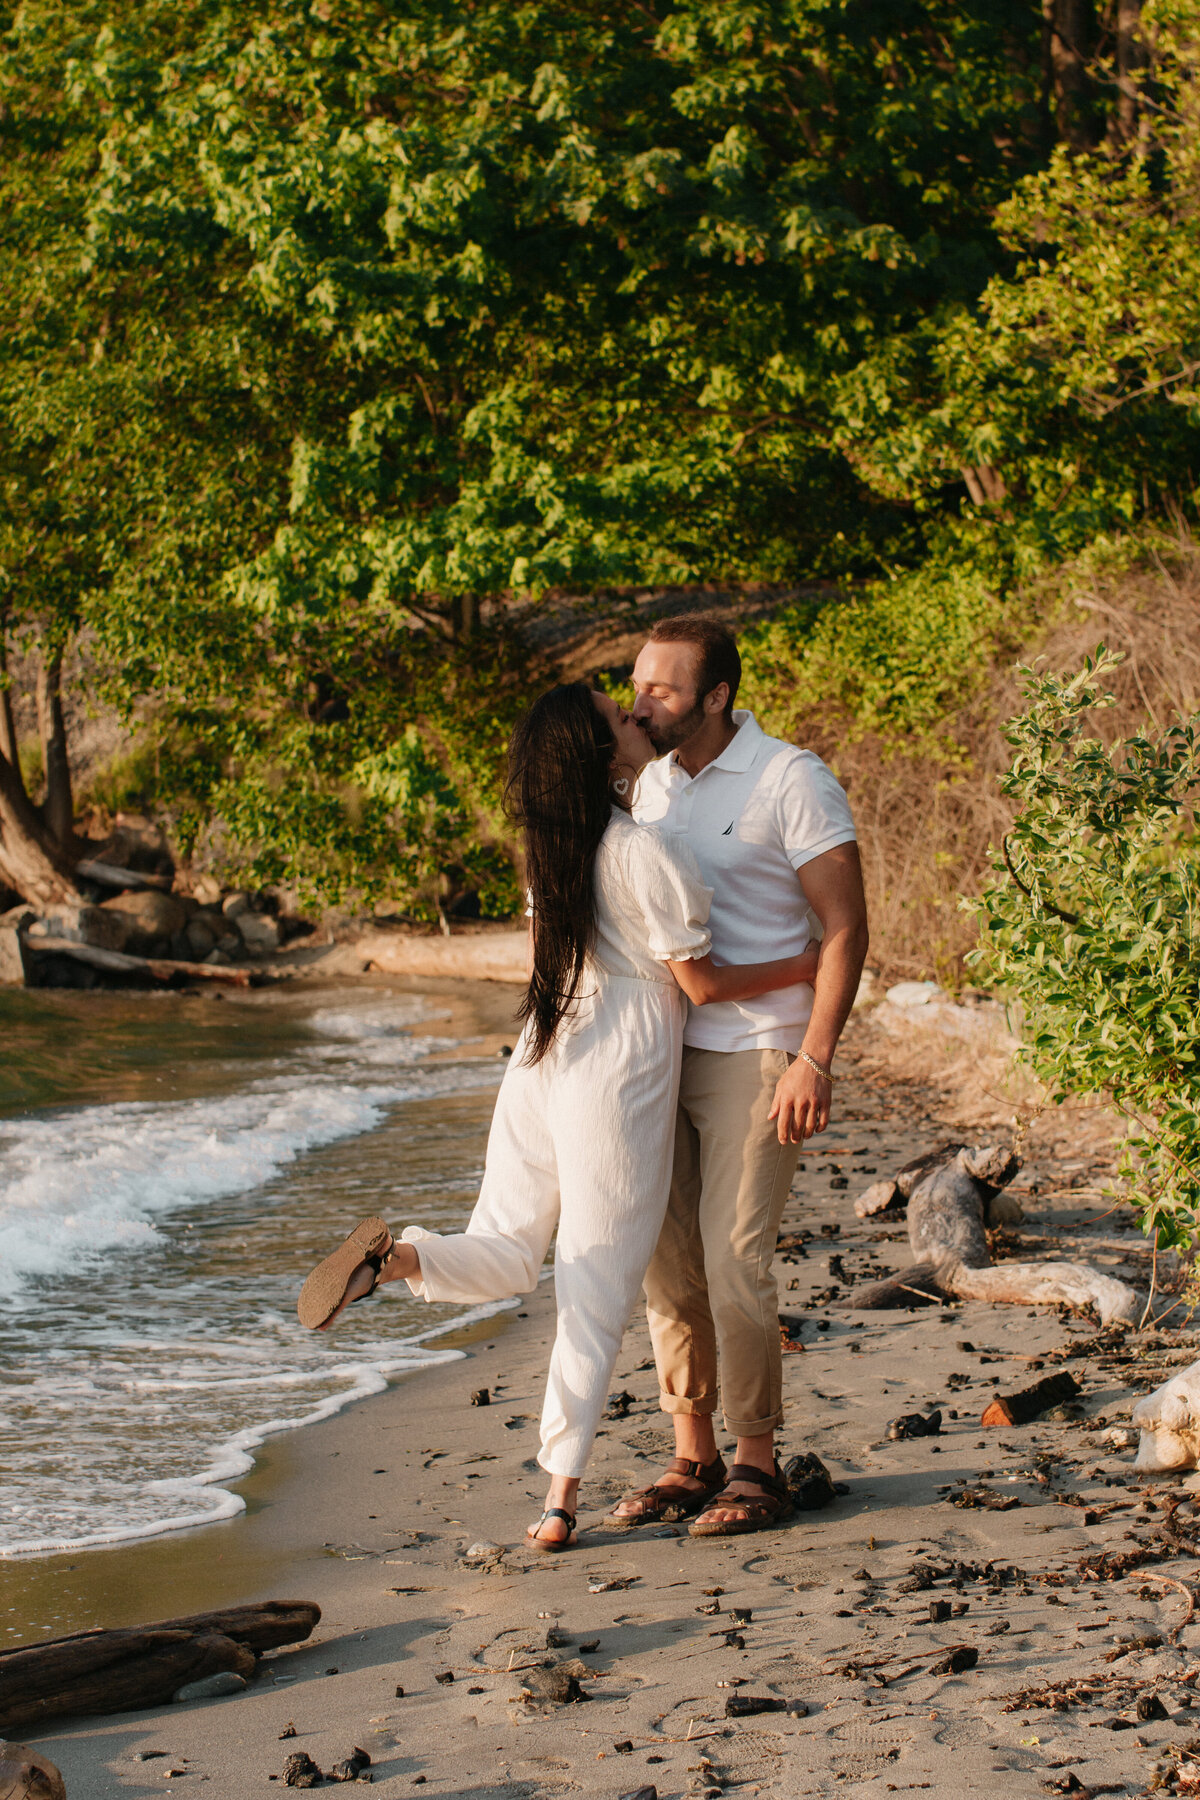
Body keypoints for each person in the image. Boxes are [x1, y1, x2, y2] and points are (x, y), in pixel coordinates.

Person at [298, 681, 820, 1551]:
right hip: (615, 1076)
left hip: (540, 1058)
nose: (638, 720)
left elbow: (554, 965)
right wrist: (801, 961)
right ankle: (558, 1497)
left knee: (506, 1249)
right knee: (593, 1282)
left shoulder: (549, 852)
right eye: (622, 720)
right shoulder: (644, 853)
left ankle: (399, 1262)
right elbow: (700, 986)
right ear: (601, 756)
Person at [607, 617, 868, 1537]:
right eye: (637, 685)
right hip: (658, 1051)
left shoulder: (790, 778)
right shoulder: (648, 788)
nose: (642, 702)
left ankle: (756, 1466)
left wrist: (815, 1057)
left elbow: (844, 929)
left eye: (662, 690)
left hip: (760, 1049)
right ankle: (694, 1457)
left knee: (733, 1261)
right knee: (666, 1267)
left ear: (716, 696)